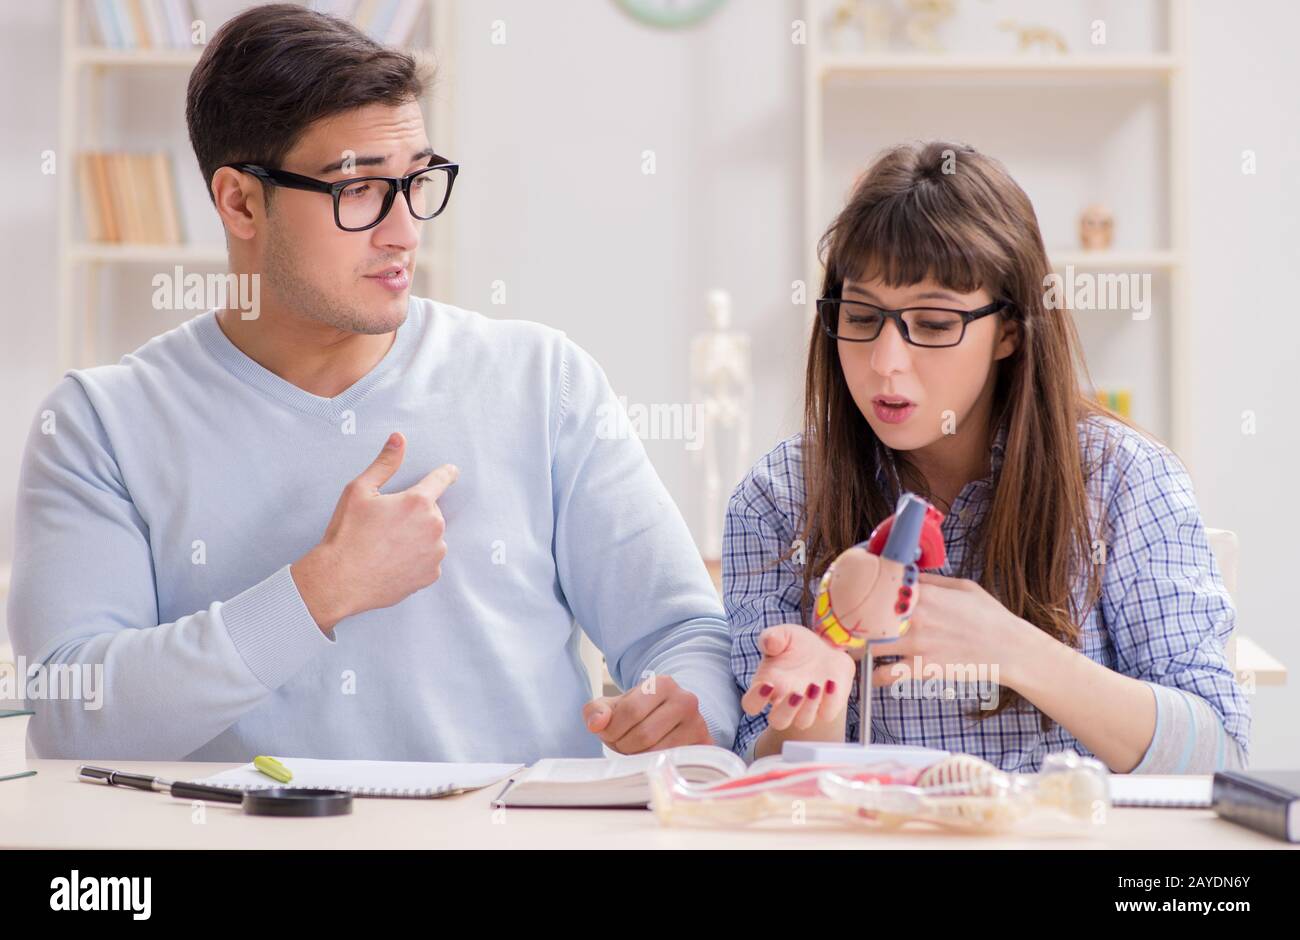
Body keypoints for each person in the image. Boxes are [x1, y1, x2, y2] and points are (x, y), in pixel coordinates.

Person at [7, 4, 739, 762]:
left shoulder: (542, 381)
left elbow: (680, 632)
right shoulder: (102, 423)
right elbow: (69, 709)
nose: (404, 231)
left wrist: (689, 710)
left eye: (416, 181)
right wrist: (318, 592)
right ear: (240, 201)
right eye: (357, 190)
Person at [726, 141, 1249, 772]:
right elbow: (762, 782)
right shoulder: (781, 496)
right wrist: (820, 697)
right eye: (861, 316)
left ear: (1009, 329)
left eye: (937, 324)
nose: (886, 362)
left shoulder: (1123, 479)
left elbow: (1219, 754)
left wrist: (1013, 649)